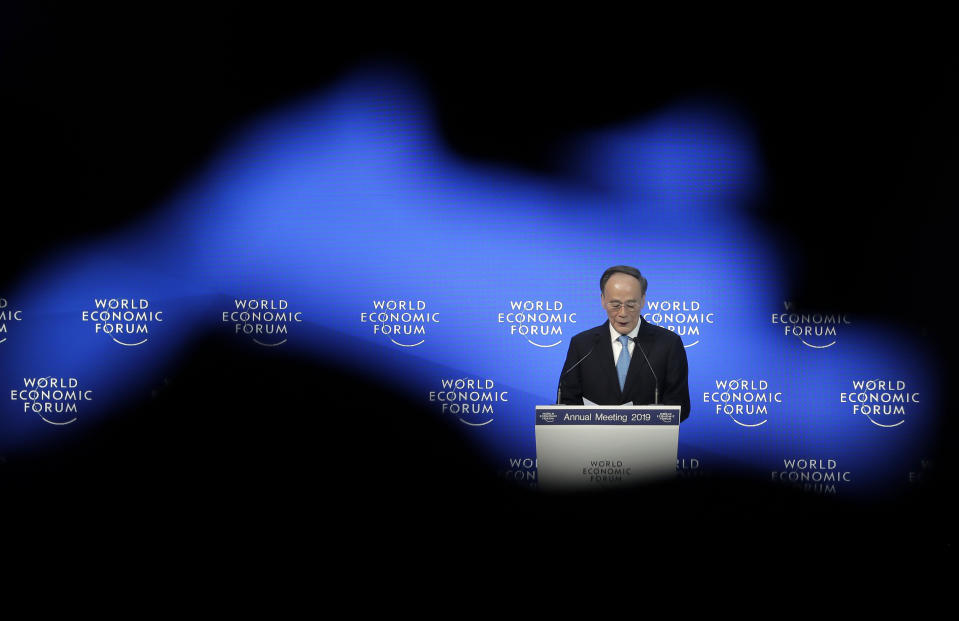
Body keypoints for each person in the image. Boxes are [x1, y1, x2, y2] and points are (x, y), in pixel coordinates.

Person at [557, 265, 690, 421]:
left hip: (649, 442)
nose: (623, 313)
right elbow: (567, 401)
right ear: (602, 300)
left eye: (631, 305)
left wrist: (648, 419)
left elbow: (680, 405)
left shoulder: (668, 343)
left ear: (643, 301)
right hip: (594, 442)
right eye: (615, 305)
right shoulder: (582, 345)